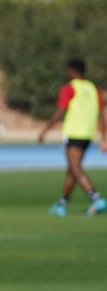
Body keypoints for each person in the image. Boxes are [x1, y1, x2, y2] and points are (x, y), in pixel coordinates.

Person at [37, 58, 107, 217]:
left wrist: (45, 130)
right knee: (72, 170)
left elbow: (60, 111)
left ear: (71, 71)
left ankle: (96, 198)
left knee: (75, 168)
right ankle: (62, 204)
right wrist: (103, 137)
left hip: (74, 132)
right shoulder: (93, 89)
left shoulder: (69, 88)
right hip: (87, 134)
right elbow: (101, 114)